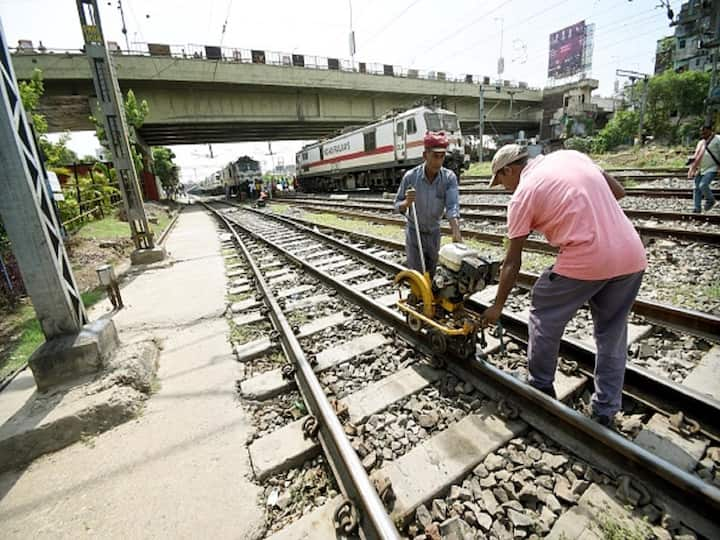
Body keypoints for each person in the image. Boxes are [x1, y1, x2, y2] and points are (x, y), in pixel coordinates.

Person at [481, 144, 647, 428]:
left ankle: (541, 386)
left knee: (543, 310)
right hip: (631, 254)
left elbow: (511, 262)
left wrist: (497, 306)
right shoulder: (571, 155)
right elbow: (618, 191)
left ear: (509, 170)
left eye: (501, 181)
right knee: (611, 333)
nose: (504, 188)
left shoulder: (523, 194)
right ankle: (605, 409)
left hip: (589, 258)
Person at [393, 131, 462, 275]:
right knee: (417, 274)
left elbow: (452, 206)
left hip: (434, 233)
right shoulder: (411, 177)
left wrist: (455, 231)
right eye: (435, 156)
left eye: (442, 156)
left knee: (433, 273)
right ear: (425, 155)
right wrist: (406, 202)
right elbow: (396, 206)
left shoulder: (449, 178)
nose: (438, 161)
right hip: (414, 232)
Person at [688, 122, 718, 213]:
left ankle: (711, 200)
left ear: (710, 131)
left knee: (703, 185)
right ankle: (697, 208)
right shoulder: (701, 142)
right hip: (700, 169)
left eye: (704, 132)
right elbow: (697, 155)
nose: (702, 134)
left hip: (712, 168)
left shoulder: (718, 140)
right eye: (701, 132)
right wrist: (692, 161)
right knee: (696, 188)